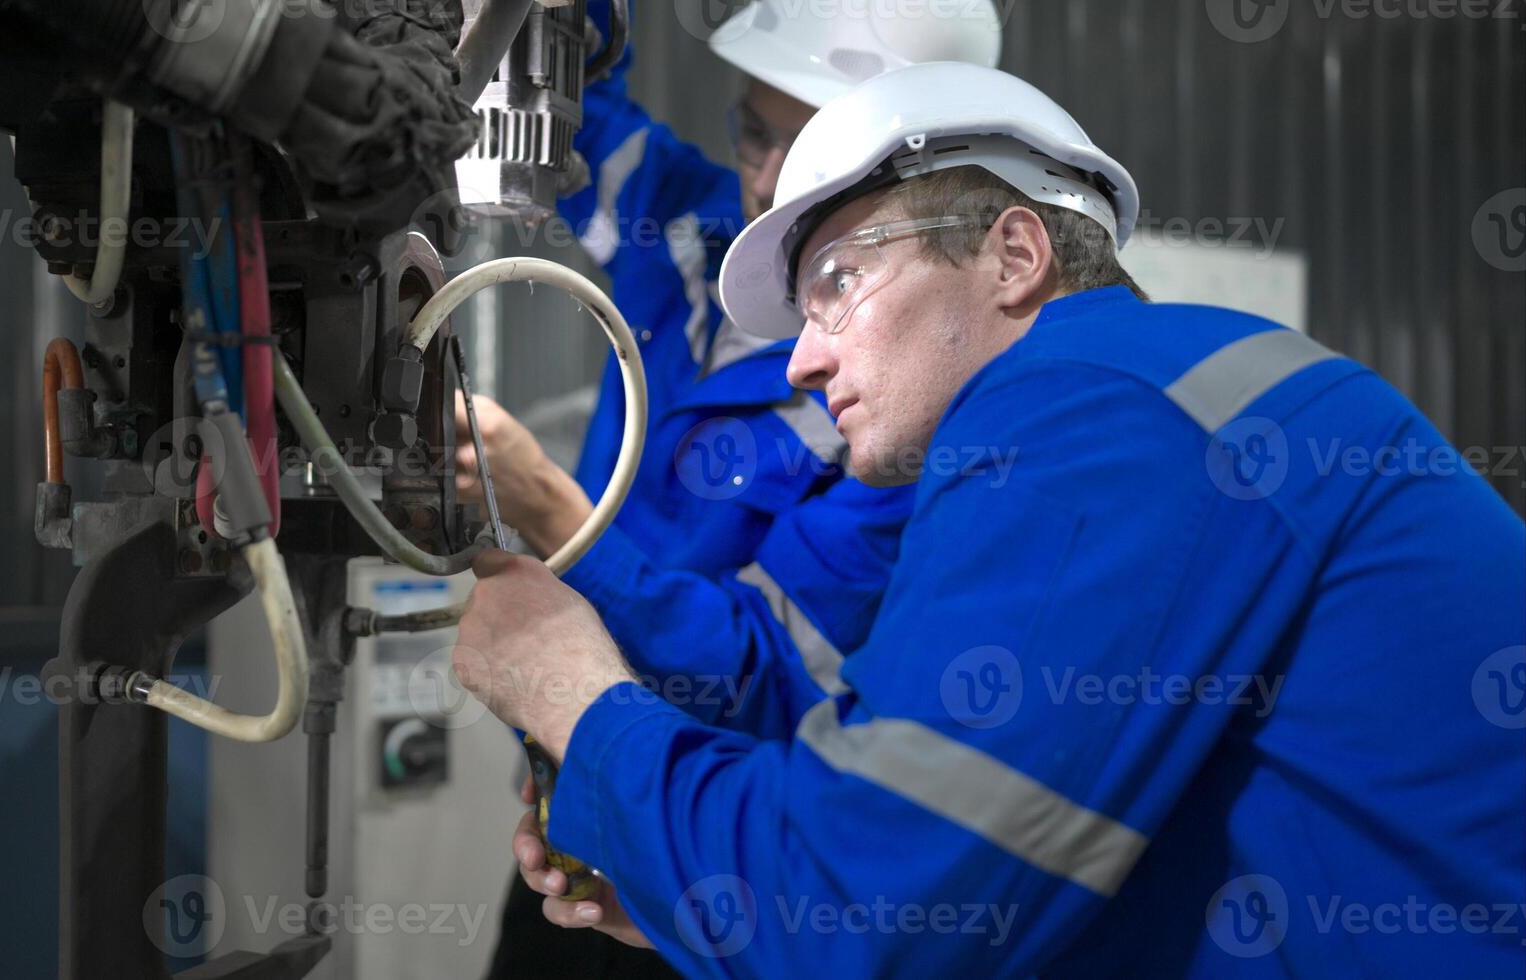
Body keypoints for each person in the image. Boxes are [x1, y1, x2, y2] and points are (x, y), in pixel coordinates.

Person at [454, 61, 1526, 977]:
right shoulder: (1141, 402)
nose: (800, 356)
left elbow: (868, 917)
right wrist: (686, 884)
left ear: (1015, 256)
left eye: (837, 280)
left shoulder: (1095, 407)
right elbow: (959, 841)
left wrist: (573, 698)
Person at [467, 5, 1001, 978]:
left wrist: (553, 515)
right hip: (578, 809)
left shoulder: (922, 413)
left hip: (724, 847)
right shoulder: (696, 234)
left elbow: (759, 671)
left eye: (811, 149)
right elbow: (569, 102)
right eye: (754, 131)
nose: (764, 181)